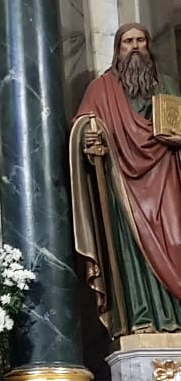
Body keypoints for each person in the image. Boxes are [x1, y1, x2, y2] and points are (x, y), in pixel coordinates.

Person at [70, 23, 181, 336]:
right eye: (128, 41)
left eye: (140, 41)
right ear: (118, 49)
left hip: (165, 177)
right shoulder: (101, 89)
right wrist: (89, 138)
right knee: (131, 250)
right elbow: (82, 126)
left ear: (148, 46)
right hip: (124, 183)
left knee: (175, 239)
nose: (135, 47)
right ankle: (141, 317)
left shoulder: (166, 85)